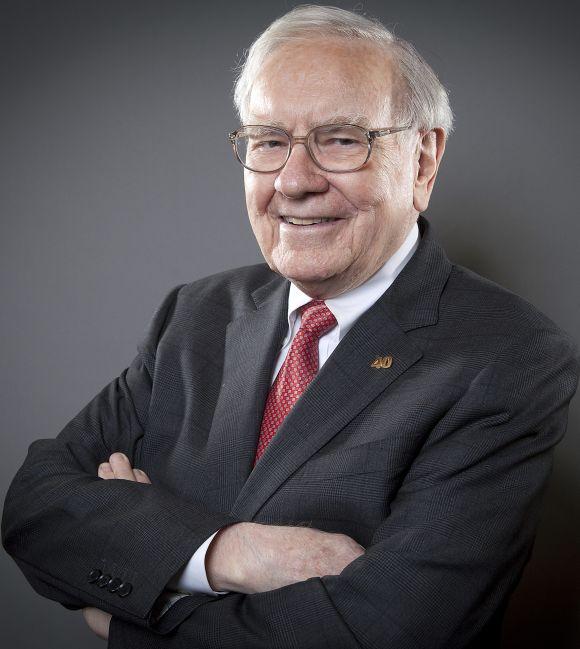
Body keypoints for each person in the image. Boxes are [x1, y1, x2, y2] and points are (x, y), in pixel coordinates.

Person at [3, 5, 579, 649]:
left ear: (422, 161)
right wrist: (237, 553)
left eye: (340, 139)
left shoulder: (507, 354)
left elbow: (391, 629)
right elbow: (35, 508)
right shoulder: (195, 315)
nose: (295, 181)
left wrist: (139, 605)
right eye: (269, 140)